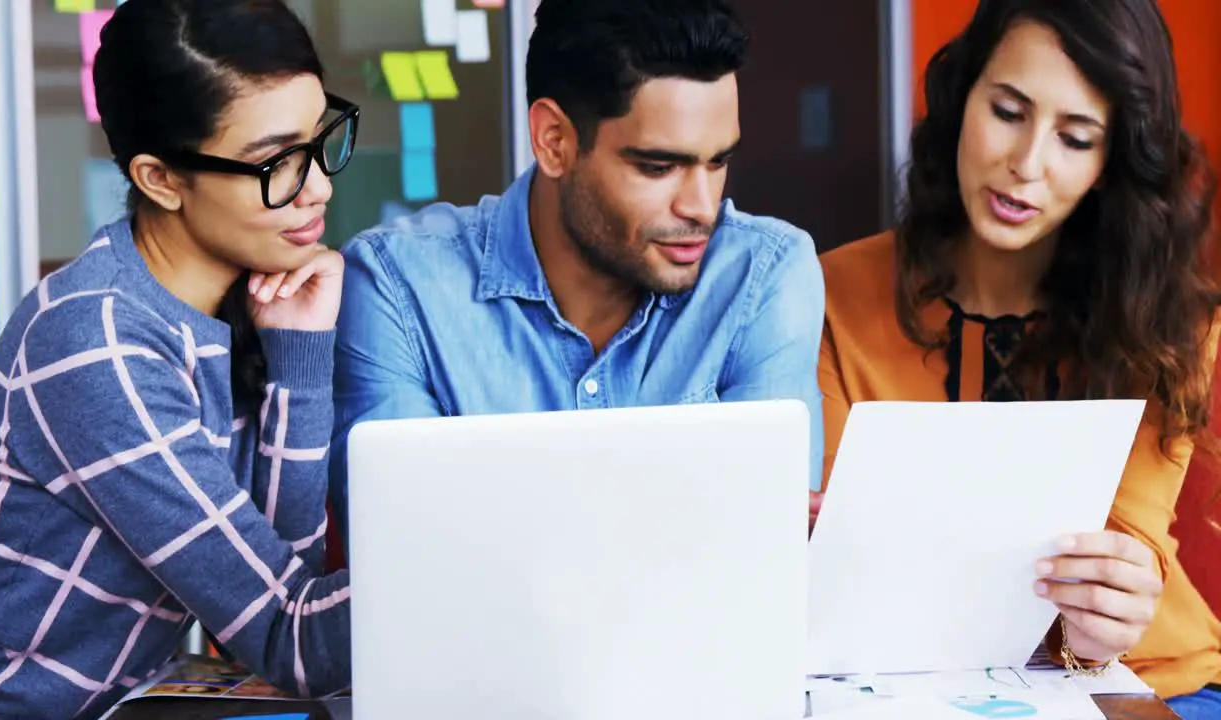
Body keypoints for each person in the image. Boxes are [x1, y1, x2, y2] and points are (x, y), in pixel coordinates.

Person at [0, 0, 357, 716]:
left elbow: (288, 580)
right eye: (277, 162)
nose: (316, 185)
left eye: (320, 141)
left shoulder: (229, 306)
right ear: (161, 178)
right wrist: (488, 565)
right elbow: (295, 639)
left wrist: (298, 353)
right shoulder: (96, 343)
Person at [814, 0, 1221, 714]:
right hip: (893, 686)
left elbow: (1131, 549)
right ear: (961, 99)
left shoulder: (1167, 316)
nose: (1025, 165)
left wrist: (1108, 609)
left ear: (1112, 159)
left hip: (1156, 679)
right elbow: (849, 569)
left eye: (1076, 137)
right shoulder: (830, 294)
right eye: (1007, 111)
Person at [330, 0, 826, 545]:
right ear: (554, 141)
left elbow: (762, 558)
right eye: (658, 168)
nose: (703, 207)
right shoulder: (398, 285)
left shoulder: (764, 274)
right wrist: (694, 515)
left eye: (718, 162)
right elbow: (407, 550)